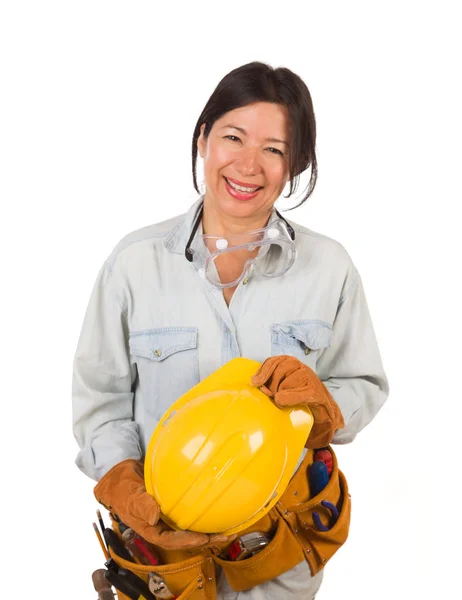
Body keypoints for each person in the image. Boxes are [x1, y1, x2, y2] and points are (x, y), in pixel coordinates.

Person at [72, 61, 389, 599]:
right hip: (161, 564)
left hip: (275, 562)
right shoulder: (135, 263)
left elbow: (363, 383)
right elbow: (100, 401)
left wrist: (324, 408)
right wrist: (124, 480)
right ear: (203, 140)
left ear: (295, 164)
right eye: (233, 137)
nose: (249, 164)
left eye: (274, 148)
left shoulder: (329, 268)